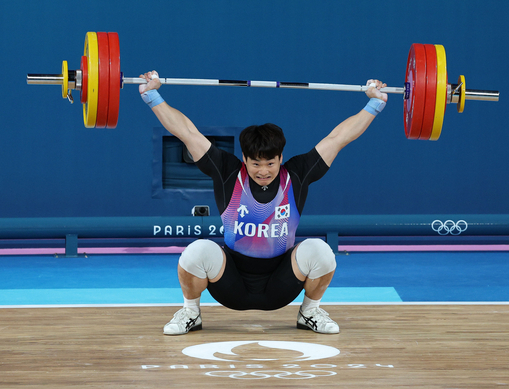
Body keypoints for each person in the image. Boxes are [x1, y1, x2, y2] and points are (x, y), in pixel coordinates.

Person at [139, 71, 388, 335]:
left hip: (281, 284)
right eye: (256, 163)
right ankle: (190, 312)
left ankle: (310, 312)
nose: (263, 171)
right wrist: (152, 95)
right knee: (196, 251)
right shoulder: (227, 171)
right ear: (244, 159)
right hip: (230, 282)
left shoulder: (297, 174)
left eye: (270, 163)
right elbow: (187, 132)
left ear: (281, 157)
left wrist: (374, 103)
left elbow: (338, 139)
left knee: (321, 251)